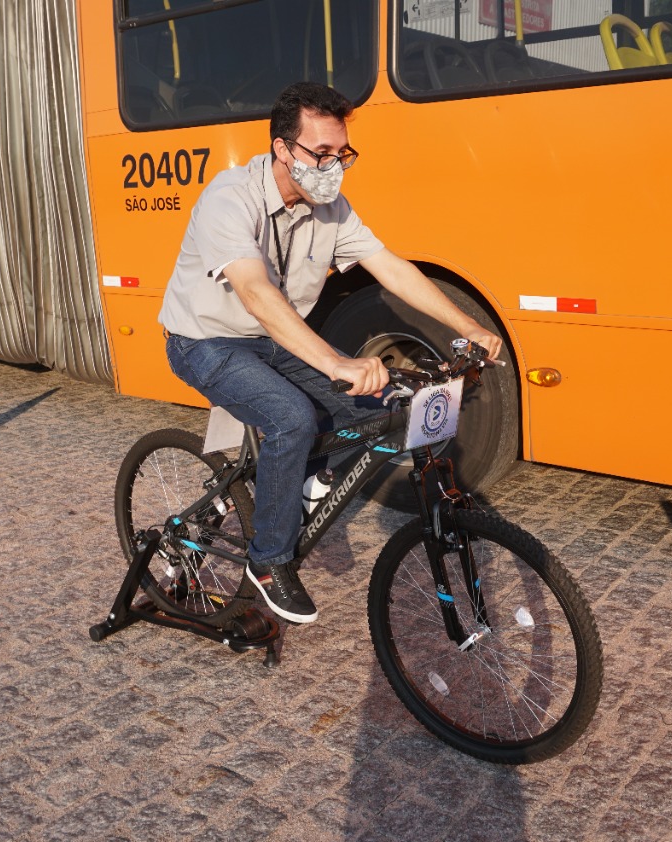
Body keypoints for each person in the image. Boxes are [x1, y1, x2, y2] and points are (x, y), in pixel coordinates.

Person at [159, 82, 501, 625]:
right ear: (281, 149)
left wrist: (468, 325)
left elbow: (389, 266)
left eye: (341, 154)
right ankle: (267, 563)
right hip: (206, 341)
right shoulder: (230, 198)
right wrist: (338, 363)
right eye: (320, 154)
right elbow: (255, 293)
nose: (333, 165)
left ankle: (307, 475)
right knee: (291, 418)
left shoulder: (330, 207)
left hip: (275, 336)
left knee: (387, 404)